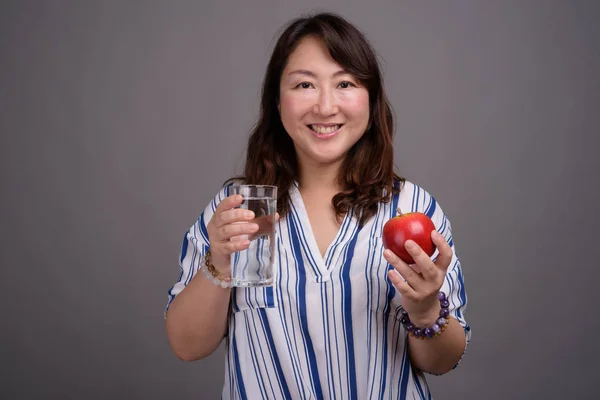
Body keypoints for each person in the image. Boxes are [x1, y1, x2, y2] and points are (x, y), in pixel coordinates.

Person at [164, 12, 471, 399]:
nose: (325, 107)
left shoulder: (413, 208)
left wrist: (426, 309)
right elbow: (187, 346)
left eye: (344, 83)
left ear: (371, 100)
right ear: (277, 102)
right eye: (304, 84)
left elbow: (442, 361)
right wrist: (219, 264)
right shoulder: (241, 213)